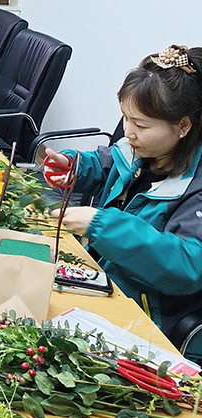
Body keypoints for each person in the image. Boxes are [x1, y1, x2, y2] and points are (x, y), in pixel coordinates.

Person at [44, 45, 202, 362]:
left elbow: (187, 264)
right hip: (101, 278)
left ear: (183, 126)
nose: (128, 132)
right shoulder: (144, 147)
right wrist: (76, 167)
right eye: (125, 118)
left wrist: (102, 226)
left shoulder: (195, 187)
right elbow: (111, 163)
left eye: (140, 125)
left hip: (145, 319)